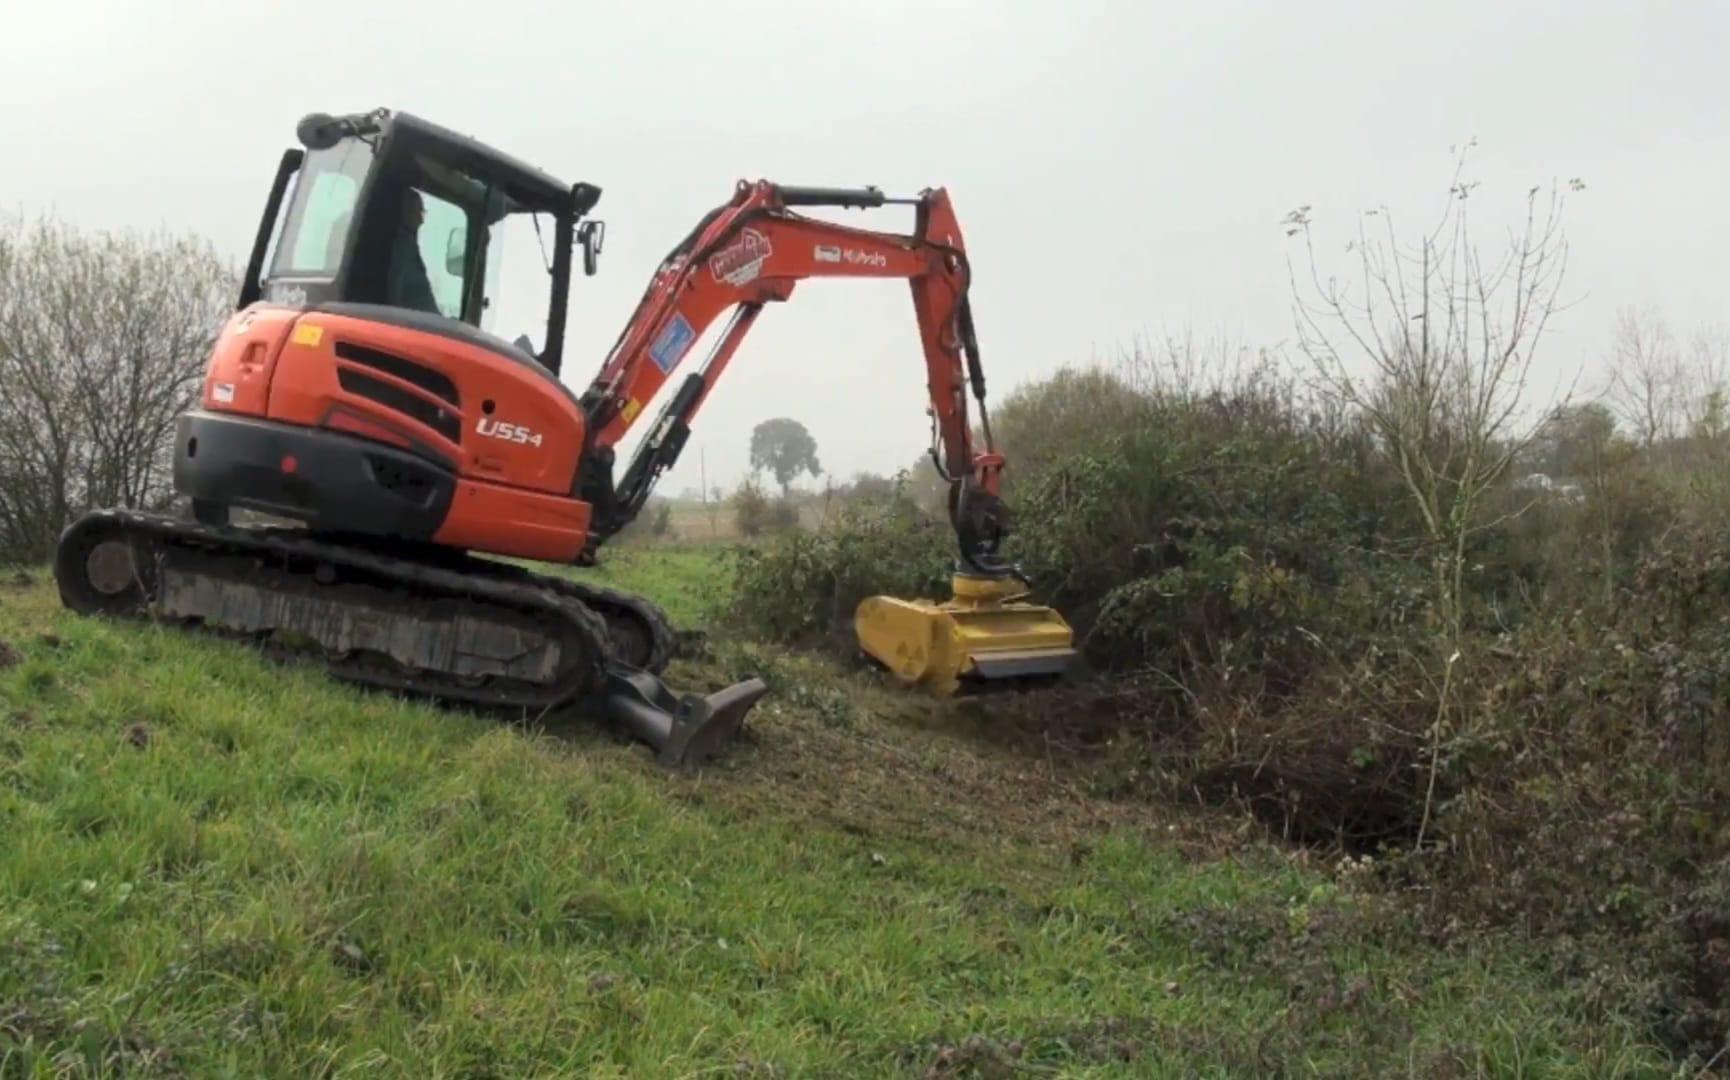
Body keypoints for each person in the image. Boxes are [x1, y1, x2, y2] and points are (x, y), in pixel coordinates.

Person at [386, 187, 441, 315]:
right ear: (404, 212)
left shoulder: (409, 244)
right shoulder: (401, 247)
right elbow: (395, 288)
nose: (422, 220)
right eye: (417, 212)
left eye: (423, 212)